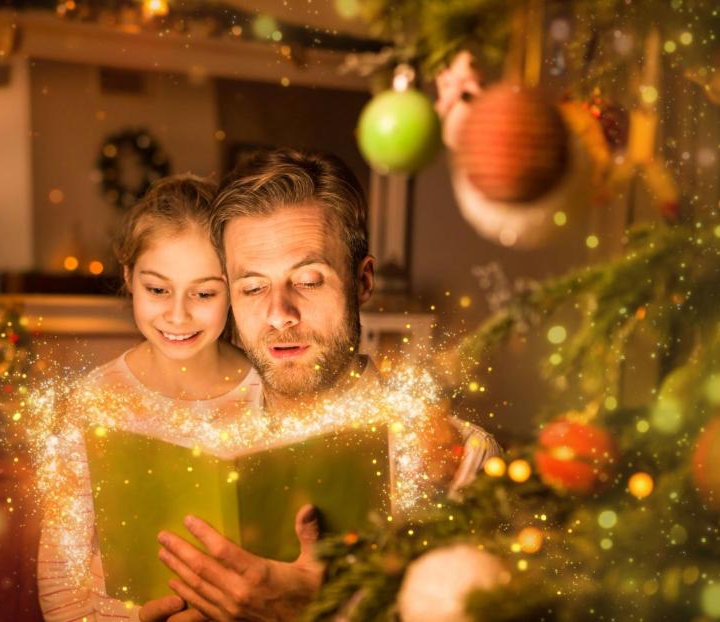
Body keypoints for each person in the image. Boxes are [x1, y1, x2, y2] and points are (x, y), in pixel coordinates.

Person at [142, 149, 501, 622]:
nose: (278, 314)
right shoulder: (197, 449)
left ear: (362, 281)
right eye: (252, 288)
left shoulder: (460, 459)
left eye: (309, 281)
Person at [37, 175, 262, 621]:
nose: (178, 314)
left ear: (234, 290)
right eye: (157, 289)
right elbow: (60, 579)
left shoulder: (266, 393)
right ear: (129, 278)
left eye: (204, 293)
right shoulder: (94, 401)